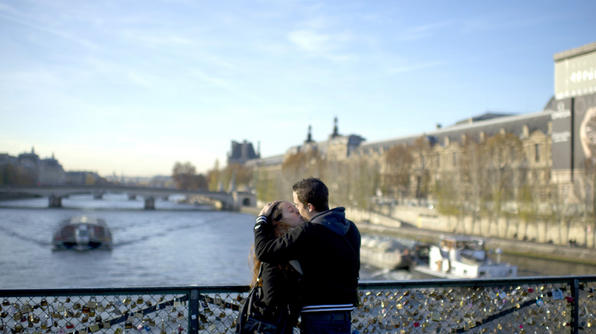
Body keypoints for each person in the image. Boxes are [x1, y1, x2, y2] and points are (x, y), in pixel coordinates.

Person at [254, 178, 361, 334]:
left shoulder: (308, 231)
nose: (297, 210)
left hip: (317, 314)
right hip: (345, 313)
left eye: (297, 205)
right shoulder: (351, 228)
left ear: (309, 207)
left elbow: (264, 252)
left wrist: (261, 220)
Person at [247, 200, 305, 333]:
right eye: (291, 211)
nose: (298, 212)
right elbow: (271, 298)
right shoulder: (274, 254)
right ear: (277, 222)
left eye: (296, 208)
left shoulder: (289, 248)